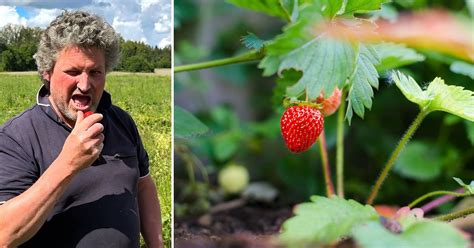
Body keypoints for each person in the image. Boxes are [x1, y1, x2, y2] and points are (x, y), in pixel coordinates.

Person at [0, 11, 163, 247]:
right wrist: (69, 163)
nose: (85, 85)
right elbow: (4, 234)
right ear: (47, 73)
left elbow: (144, 185)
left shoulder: (121, 121)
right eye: (73, 72)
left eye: (95, 72)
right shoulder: (16, 137)